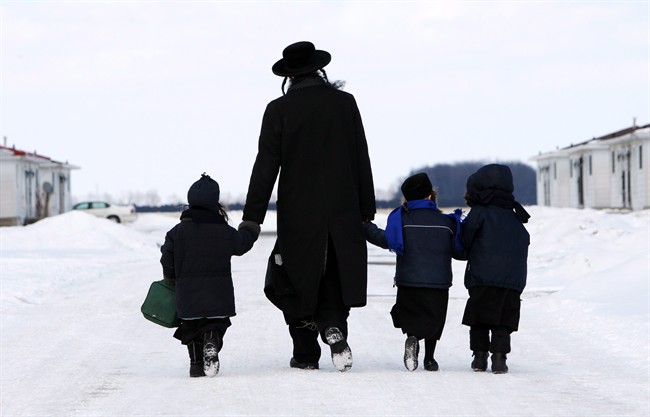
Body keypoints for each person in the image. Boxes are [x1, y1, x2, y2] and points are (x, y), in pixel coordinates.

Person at [242, 41, 376, 372]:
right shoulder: (345, 103)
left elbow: (266, 166)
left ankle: (305, 354)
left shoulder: (279, 110)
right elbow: (361, 156)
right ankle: (333, 329)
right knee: (334, 277)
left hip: (299, 214)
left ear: (288, 77)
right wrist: (366, 210)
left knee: (295, 278)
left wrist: (252, 218)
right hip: (343, 209)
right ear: (319, 70)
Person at [160, 173, 261, 377]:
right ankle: (212, 340)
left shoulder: (177, 232)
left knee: (191, 327)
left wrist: (171, 277)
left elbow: (167, 258)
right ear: (215, 202)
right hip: (218, 295)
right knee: (215, 323)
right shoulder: (223, 231)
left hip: (188, 295)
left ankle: (196, 365)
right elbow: (242, 244)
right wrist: (250, 227)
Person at [363, 173, 464, 372]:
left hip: (408, 280)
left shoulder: (401, 219)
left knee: (411, 316)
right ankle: (430, 359)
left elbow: (386, 240)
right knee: (434, 320)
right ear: (430, 196)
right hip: (438, 282)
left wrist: (365, 227)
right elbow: (459, 250)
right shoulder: (447, 223)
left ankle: (412, 339)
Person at [460, 164, 530, 374]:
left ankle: (480, 357)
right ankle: (500, 358)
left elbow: (465, 241)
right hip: (511, 279)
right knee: (503, 320)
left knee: (479, 317)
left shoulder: (480, 212)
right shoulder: (514, 213)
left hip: (482, 276)